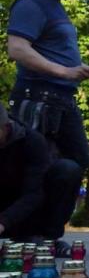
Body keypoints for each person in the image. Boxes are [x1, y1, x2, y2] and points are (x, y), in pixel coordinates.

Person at [6, 0, 89, 255]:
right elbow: (17, 49)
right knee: (38, 167)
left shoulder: (53, 7)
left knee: (74, 163)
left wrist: (81, 72)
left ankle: (48, 236)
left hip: (61, 100)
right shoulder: (31, 3)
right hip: (37, 99)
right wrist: (66, 71)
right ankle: (29, 234)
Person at [0, 103, 82, 243]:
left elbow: (33, 193)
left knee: (67, 169)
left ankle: (48, 238)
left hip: (25, 210)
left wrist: (3, 222)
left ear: (6, 128)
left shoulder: (32, 141)